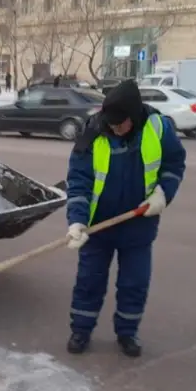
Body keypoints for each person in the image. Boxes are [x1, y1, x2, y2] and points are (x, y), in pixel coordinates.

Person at [64, 79, 186, 357]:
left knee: (134, 282)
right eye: (111, 123)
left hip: (139, 224)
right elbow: (79, 181)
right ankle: (80, 331)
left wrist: (163, 195)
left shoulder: (159, 128)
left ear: (134, 116)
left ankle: (127, 333)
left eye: (121, 124)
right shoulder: (93, 133)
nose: (115, 128)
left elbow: (173, 165)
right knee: (89, 281)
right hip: (98, 227)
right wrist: (77, 221)